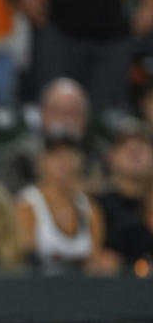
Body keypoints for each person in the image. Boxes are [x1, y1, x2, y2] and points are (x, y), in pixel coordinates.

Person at [15, 130, 120, 275]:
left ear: (80, 160)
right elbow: (26, 257)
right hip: (39, 289)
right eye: (55, 155)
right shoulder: (28, 204)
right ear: (41, 161)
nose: (63, 161)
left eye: (69, 154)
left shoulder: (90, 208)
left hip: (83, 290)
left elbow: (96, 257)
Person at [96, 117, 153, 269]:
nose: (135, 151)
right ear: (111, 156)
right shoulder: (97, 205)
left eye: (142, 144)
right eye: (124, 145)